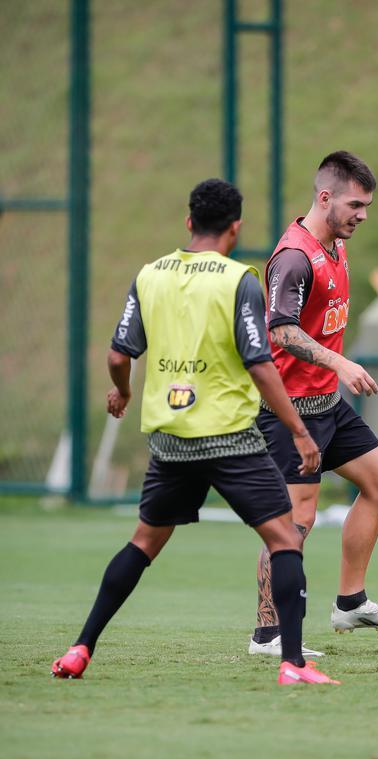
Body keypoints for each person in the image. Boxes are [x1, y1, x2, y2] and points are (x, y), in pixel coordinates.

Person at [51, 178, 339, 686]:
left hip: (170, 440)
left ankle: (80, 648)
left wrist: (122, 391)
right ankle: (293, 664)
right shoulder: (239, 280)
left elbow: (118, 355)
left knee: (142, 543)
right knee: (285, 539)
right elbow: (260, 364)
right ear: (236, 228)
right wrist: (298, 430)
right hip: (229, 437)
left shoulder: (150, 275)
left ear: (189, 222)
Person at [248, 152, 378, 657]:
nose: (363, 214)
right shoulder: (294, 257)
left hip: (328, 403)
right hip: (291, 411)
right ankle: (267, 634)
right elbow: (282, 331)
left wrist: (333, 372)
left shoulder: (336, 244)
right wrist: (340, 363)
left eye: (367, 205)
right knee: (294, 523)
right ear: (325, 197)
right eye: (355, 205)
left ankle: (350, 602)